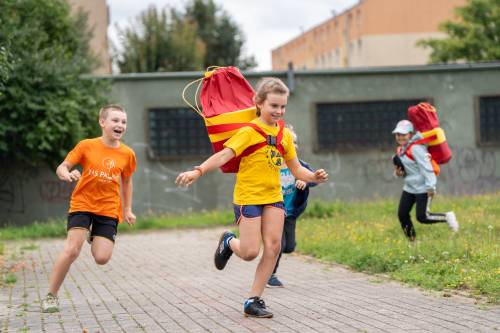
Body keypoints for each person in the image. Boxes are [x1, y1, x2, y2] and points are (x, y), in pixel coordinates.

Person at [176, 77, 328, 318]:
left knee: (274, 246)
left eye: (283, 106)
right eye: (274, 106)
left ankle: (253, 300)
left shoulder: (284, 135)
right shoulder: (249, 131)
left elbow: (297, 169)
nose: (279, 111)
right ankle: (228, 241)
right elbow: (224, 155)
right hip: (248, 196)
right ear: (258, 103)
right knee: (248, 252)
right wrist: (198, 170)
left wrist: (314, 177)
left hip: (273, 196)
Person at [41, 104, 137, 313]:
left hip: (108, 208)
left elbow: (127, 181)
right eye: (115, 120)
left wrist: (127, 209)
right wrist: (65, 173)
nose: (120, 124)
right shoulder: (86, 146)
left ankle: (93, 234)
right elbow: (62, 167)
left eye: (123, 121)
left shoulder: (128, 154)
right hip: (83, 203)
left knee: (102, 258)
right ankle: (51, 295)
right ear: (102, 122)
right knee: (72, 250)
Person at [267, 125, 317, 288]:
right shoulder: (271, 166)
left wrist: (306, 181)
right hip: (274, 212)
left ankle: (270, 263)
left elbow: (313, 178)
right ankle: (270, 275)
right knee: (278, 245)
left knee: (289, 247)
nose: (293, 145)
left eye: (295, 142)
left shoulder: (299, 165)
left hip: (291, 212)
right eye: (288, 142)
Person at [392, 119, 458, 241]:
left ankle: (447, 217)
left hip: (423, 188)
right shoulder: (400, 150)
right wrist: (397, 173)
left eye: (403, 134)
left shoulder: (416, 148)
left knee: (422, 217)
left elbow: (427, 168)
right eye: (398, 134)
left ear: (411, 134)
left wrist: (431, 187)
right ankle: (413, 243)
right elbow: (405, 170)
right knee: (402, 214)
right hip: (409, 188)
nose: (400, 137)